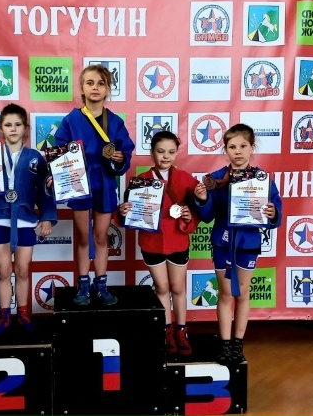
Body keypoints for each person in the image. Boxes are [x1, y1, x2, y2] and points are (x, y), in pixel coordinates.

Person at [0, 103, 57, 335]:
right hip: (1, 220)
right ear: (0, 128)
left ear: (26, 128)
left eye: (18, 124)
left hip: (25, 220)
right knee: (3, 270)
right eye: (8, 125)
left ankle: (23, 313)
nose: (13, 129)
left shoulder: (35, 158)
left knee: (22, 270)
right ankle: (4, 316)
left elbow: (44, 192)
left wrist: (46, 217)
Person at [193, 123, 282, 365]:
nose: (238, 151)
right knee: (224, 293)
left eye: (243, 146)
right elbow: (207, 216)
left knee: (242, 293)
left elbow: (275, 210)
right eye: (232, 147)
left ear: (252, 147)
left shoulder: (262, 179)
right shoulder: (215, 179)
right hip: (223, 242)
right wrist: (202, 199)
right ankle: (224, 344)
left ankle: (237, 343)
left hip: (248, 242)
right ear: (225, 150)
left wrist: (272, 213)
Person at [54, 64, 135, 305]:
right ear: (82, 88)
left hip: (105, 182)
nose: (95, 88)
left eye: (101, 83)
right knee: (83, 237)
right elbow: (60, 152)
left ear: (108, 89)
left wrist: (120, 158)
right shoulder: (71, 120)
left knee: (101, 236)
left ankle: (101, 284)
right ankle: (82, 285)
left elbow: (125, 152)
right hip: (80, 183)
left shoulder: (115, 121)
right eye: (90, 83)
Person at [119, 131, 199, 356]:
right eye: (161, 151)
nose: (166, 156)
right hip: (152, 243)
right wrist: (123, 211)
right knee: (162, 287)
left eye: (171, 152)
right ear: (152, 153)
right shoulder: (140, 180)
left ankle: (182, 331)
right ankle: (166, 330)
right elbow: (129, 214)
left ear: (177, 153)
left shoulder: (185, 178)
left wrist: (192, 211)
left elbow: (200, 208)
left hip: (178, 241)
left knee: (178, 288)